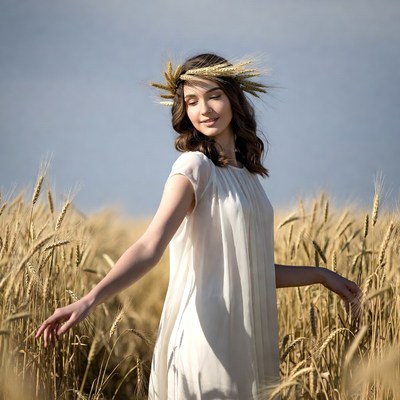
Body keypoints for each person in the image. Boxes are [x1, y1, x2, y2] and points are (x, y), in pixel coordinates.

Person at [36, 53, 361, 399]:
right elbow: (150, 246)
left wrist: (322, 275)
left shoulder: (249, 179)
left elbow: (249, 269)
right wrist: (89, 300)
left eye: (214, 95)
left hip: (248, 340)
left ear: (234, 98)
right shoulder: (194, 168)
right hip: (206, 339)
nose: (204, 108)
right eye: (192, 100)